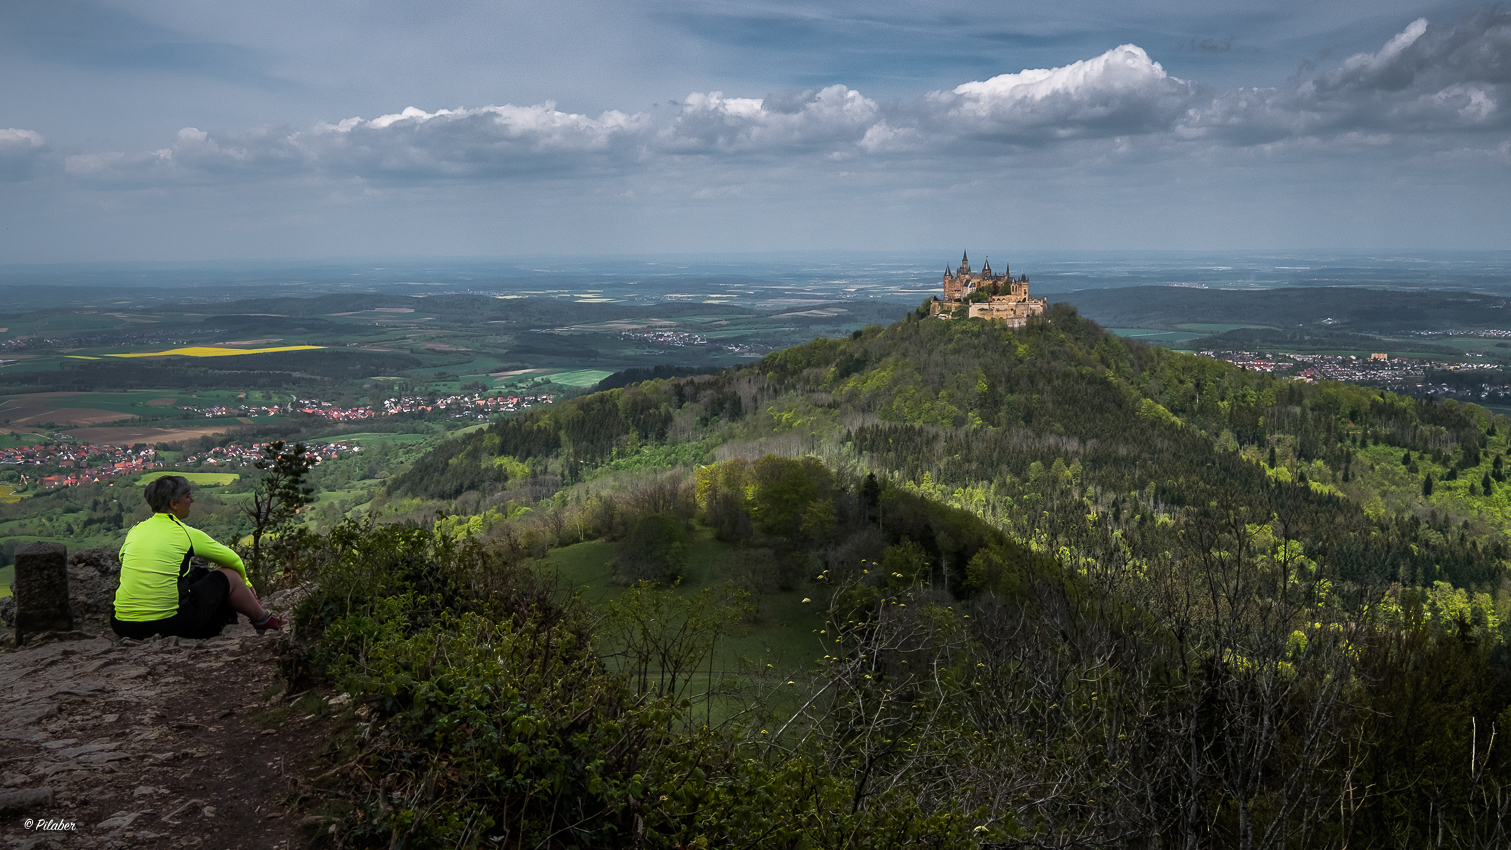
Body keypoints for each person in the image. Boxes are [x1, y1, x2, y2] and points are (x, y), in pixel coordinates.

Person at [112, 475, 285, 640]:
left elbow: (123, 559)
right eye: (187, 496)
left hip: (122, 625)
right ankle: (263, 620)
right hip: (169, 624)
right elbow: (233, 560)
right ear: (173, 504)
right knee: (229, 575)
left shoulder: (135, 531)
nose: (192, 501)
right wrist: (246, 583)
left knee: (194, 575)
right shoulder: (185, 533)